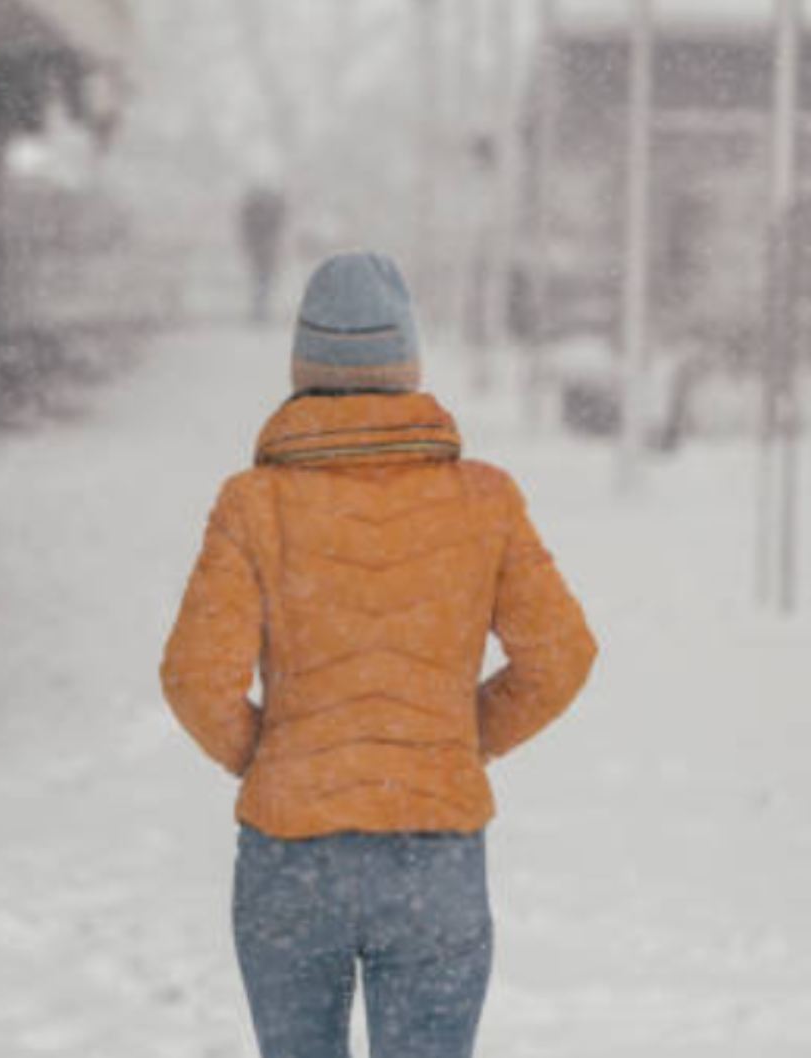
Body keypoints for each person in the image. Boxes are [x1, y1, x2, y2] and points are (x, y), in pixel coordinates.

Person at [160, 251, 596, 1058]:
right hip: (433, 854)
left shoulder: (252, 505)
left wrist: (276, 757)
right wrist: (456, 741)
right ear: (407, 365)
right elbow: (561, 656)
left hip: (290, 861)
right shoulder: (483, 499)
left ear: (304, 366)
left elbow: (194, 678)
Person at [238, 184, 288, 323]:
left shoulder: (253, 208)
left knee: (261, 281)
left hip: (260, 249)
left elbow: (246, 228)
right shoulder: (271, 208)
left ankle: (260, 310)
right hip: (265, 249)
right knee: (263, 280)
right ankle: (260, 310)